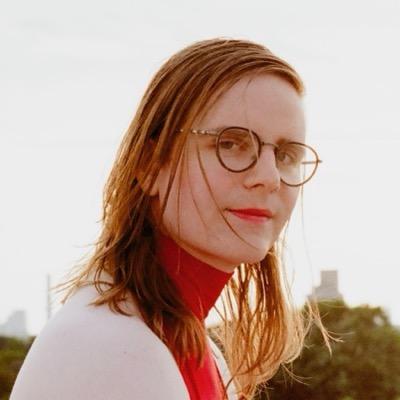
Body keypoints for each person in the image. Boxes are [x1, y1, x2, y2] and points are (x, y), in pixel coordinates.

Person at [10, 38, 324, 400]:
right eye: (231, 143)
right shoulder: (116, 347)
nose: (269, 177)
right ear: (150, 164)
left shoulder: (184, 344)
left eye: (286, 155)